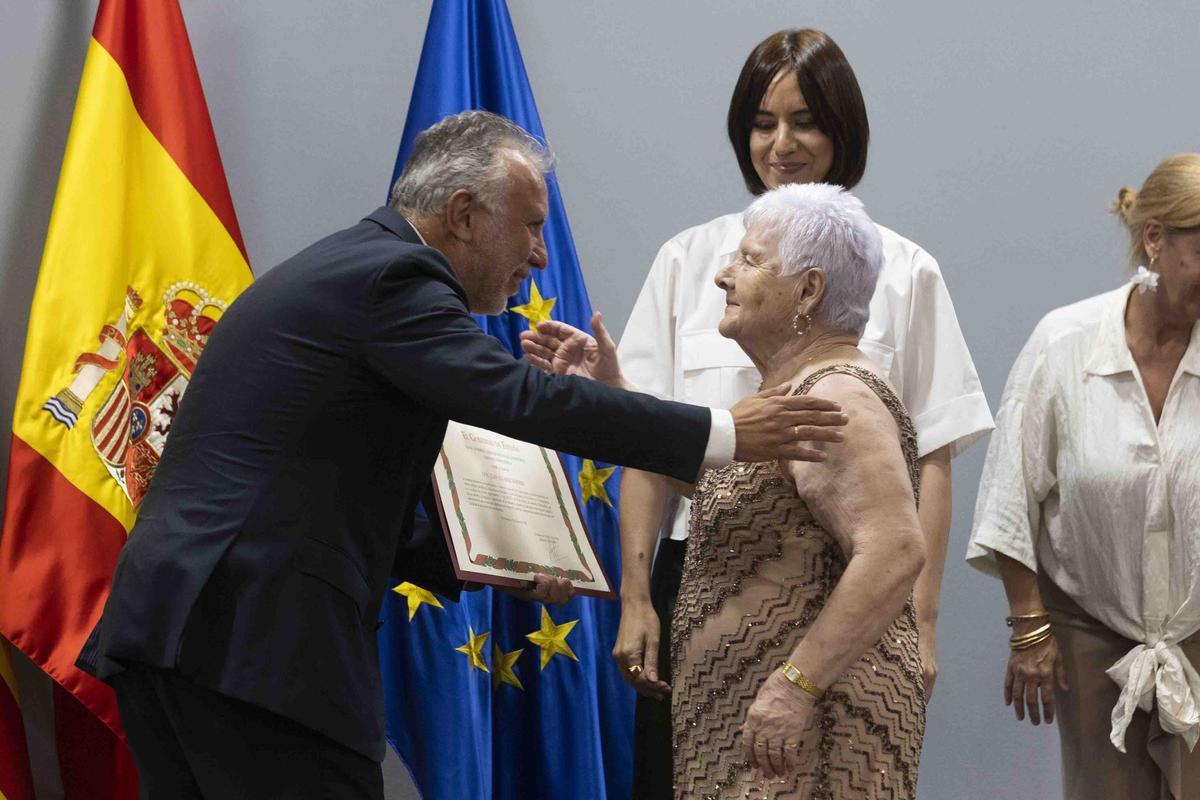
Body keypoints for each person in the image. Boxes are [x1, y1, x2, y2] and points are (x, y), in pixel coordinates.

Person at [75, 111, 850, 800]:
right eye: (531, 226)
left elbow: (326, 495)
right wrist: (723, 432)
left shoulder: (350, 271)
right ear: (464, 214)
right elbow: (523, 400)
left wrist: (499, 565)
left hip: (192, 635)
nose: (541, 257)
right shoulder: (394, 277)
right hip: (251, 650)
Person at [611, 29, 992, 797]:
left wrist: (922, 620)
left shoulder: (901, 267)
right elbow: (653, 443)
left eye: (805, 120)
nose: (781, 143)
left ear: (843, 130)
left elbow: (931, 460)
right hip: (703, 570)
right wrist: (636, 596)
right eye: (761, 122)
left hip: (838, 584)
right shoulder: (694, 260)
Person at [524, 182, 929, 798]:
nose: (723, 276)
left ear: (809, 288)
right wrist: (607, 390)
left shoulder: (835, 397)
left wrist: (796, 684)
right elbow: (720, 486)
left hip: (807, 747)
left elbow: (897, 550)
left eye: (749, 260)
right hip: (758, 738)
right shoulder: (790, 393)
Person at [967, 154, 1200, 800]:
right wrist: (1029, 629)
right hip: (1092, 641)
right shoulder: (1065, 344)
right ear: (1155, 239)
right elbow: (1012, 493)